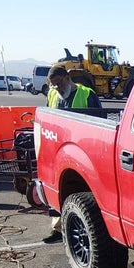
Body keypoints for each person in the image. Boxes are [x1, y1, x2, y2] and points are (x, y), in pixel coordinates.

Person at [42, 66, 103, 243]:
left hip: (81, 152)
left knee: (78, 192)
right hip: (57, 150)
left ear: (67, 78)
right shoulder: (53, 94)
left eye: (59, 83)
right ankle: (58, 229)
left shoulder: (86, 94)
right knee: (57, 189)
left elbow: (100, 122)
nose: (57, 88)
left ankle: (78, 230)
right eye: (53, 85)